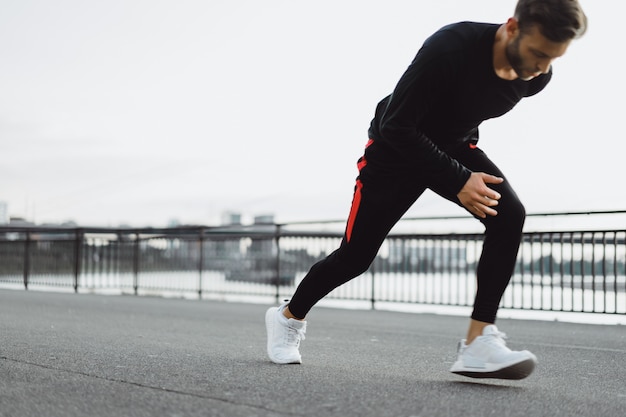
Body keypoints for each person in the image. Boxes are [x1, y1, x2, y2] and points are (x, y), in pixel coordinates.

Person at [265, 0, 587, 379]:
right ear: (512, 27)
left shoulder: (535, 78)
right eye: (537, 54)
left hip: (453, 147)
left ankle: (477, 343)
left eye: (552, 59)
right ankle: (287, 318)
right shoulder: (451, 47)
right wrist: (457, 179)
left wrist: (458, 168)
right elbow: (394, 125)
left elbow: (463, 112)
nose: (541, 69)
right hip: (393, 153)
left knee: (509, 214)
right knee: (355, 257)